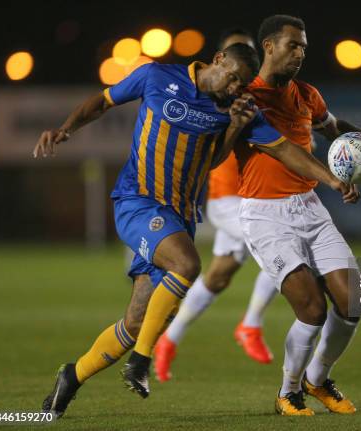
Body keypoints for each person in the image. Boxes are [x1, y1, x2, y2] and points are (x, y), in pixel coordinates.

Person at [35, 41, 355, 418]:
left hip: (179, 215)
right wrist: (66, 129)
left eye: (242, 83)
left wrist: (329, 179)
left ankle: (72, 377)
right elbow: (103, 101)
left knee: (137, 322)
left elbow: (271, 151)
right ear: (217, 60)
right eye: (233, 78)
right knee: (187, 266)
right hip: (137, 201)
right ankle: (140, 363)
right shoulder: (156, 76)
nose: (236, 87)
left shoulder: (237, 110)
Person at [234, 15, 361, 416]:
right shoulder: (248, 99)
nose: (300, 53)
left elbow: (335, 129)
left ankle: (316, 381)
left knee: (353, 301)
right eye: (292, 45)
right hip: (266, 215)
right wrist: (333, 182)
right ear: (268, 46)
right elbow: (287, 150)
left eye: (303, 46)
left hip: (309, 208)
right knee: (312, 309)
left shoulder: (307, 94)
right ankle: (288, 392)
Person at [154, 28, 278, 382]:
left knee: (219, 276)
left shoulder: (253, 93)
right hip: (228, 199)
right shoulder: (216, 97)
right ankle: (251, 326)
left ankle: (169, 340)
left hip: (253, 196)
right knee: (280, 248)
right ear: (219, 58)